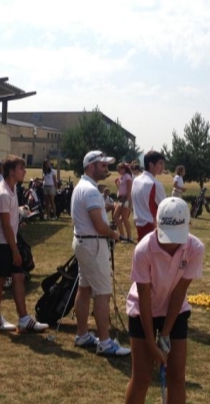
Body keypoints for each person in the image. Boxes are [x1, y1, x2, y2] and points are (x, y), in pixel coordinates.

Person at [124, 197, 204, 404]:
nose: (171, 244)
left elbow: (179, 293)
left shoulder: (195, 248)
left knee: (176, 377)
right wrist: (152, 344)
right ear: (156, 223)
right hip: (143, 310)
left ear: (189, 226)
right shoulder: (143, 249)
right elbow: (144, 299)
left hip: (175, 311)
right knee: (142, 377)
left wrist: (165, 334)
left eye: (177, 237)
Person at [71, 150, 130, 357]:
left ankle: (82, 334)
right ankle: (105, 342)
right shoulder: (91, 191)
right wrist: (115, 234)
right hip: (93, 244)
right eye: (102, 165)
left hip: (83, 242)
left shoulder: (83, 187)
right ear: (90, 166)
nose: (107, 169)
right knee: (103, 292)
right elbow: (98, 225)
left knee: (85, 288)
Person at [0, 155, 48, 333]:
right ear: (11, 171)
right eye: (21, 168)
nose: (25, 172)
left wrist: (19, 215)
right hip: (0, 243)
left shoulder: (12, 189)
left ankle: (24, 319)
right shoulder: (3, 194)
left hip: (9, 241)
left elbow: (9, 220)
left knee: (18, 277)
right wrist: (15, 251)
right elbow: (5, 226)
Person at [131, 151, 167, 242]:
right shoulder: (154, 184)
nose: (163, 167)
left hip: (139, 225)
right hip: (152, 227)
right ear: (151, 164)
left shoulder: (136, 180)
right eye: (160, 163)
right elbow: (166, 207)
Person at [113, 162, 134, 243]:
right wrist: (117, 184)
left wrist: (127, 201)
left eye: (120, 168)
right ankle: (123, 235)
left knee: (124, 218)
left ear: (124, 169)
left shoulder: (128, 177)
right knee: (117, 217)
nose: (118, 170)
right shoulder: (122, 177)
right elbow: (121, 189)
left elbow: (129, 190)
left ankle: (128, 237)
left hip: (125, 199)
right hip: (121, 198)